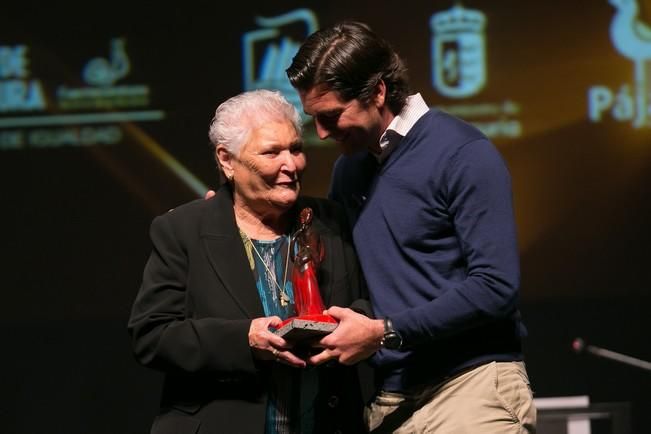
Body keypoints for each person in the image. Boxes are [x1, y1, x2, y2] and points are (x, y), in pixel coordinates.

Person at [284, 21, 537, 433]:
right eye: (314, 118)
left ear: (378, 91)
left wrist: (385, 332)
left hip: (471, 386)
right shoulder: (349, 171)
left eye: (331, 116)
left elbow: (496, 286)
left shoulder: (463, 152)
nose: (321, 133)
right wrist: (239, 209)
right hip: (392, 397)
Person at [128, 89, 369, 434]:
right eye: (272, 152)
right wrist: (245, 338)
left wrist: (356, 324)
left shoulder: (330, 221)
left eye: (296, 149)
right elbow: (152, 336)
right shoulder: (183, 230)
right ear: (227, 160)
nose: (291, 165)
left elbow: (368, 301)